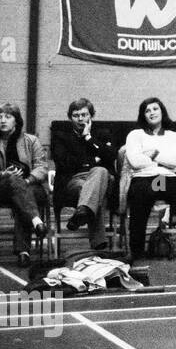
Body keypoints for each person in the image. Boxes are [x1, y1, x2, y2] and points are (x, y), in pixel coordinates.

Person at [124, 97, 176, 259]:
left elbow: (175, 160)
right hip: (143, 178)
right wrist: (164, 160)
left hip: (165, 179)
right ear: (143, 115)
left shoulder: (173, 136)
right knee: (141, 196)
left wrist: (153, 154)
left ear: (162, 112)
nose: (151, 113)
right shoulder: (135, 135)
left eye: (155, 109)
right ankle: (137, 251)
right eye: (147, 110)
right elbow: (135, 162)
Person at [0, 103, 49, 267]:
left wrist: (27, 181)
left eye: (8, 117)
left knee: (22, 195)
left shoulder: (31, 140)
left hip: (31, 185)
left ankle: (23, 252)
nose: (3, 121)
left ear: (16, 120)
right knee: (15, 183)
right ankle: (36, 222)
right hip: (2, 188)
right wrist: (4, 174)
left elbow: (42, 167)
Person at [50, 97, 115, 252]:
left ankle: (82, 213)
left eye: (84, 115)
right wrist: (95, 159)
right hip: (73, 182)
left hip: (102, 180)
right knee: (91, 189)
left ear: (90, 116)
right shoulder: (60, 137)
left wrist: (88, 138)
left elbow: (111, 156)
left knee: (100, 171)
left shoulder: (103, 134)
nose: (80, 119)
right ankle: (98, 243)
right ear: (70, 117)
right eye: (76, 115)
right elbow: (63, 163)